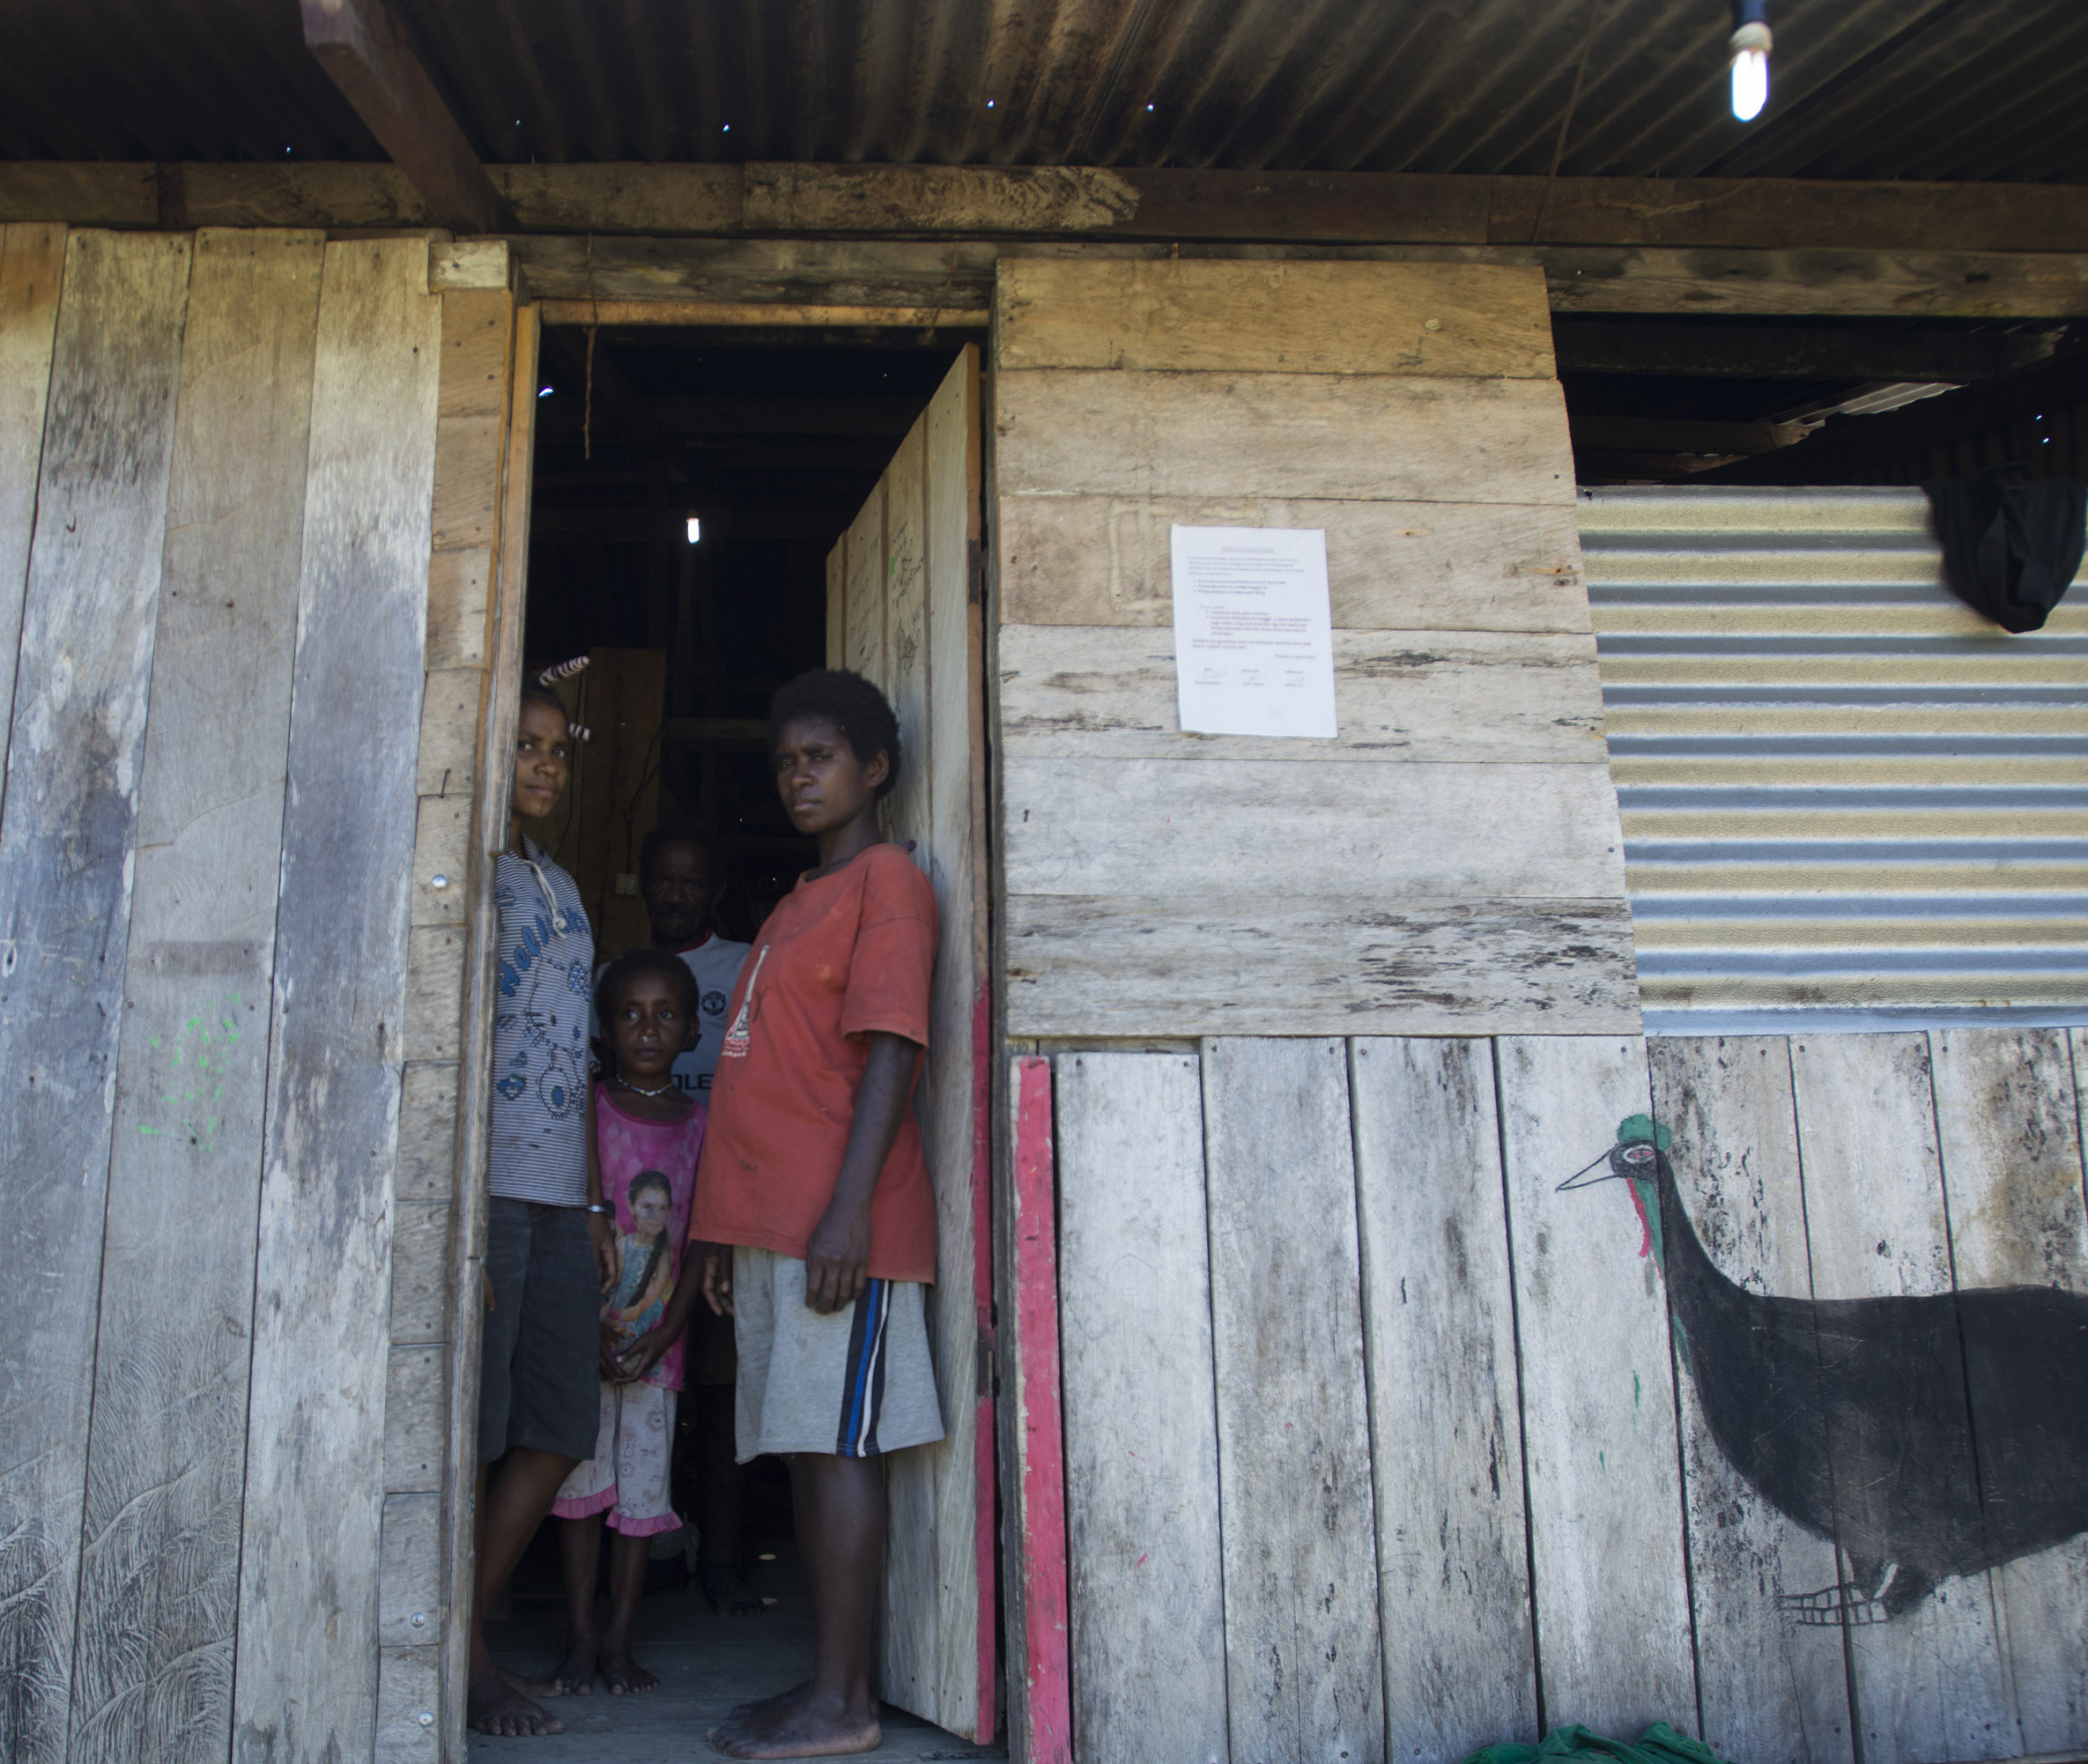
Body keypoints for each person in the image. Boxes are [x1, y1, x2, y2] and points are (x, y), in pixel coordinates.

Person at [636, 667, 944, 1760]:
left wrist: (848, 1214)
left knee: (837, 1450)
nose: (797, 776)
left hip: (836, 1229)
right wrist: (725, 1227)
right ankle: (828, 1684)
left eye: (821, 757)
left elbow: (892, 1048)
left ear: (876, 767)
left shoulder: (887, 884)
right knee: (809, 1451)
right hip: (776, 1227)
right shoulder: (795, 902)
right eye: (784, 762)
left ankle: (845, 1702)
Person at [470, 672, 618, 1740]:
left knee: (563, 1424)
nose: (546, 764)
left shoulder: (561, 884)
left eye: (559, 749)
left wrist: (598, 1196)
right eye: (526, 744)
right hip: (487, 1197)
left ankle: (458, 1631)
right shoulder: (466, 875)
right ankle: (465, 1653)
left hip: (562, 1199)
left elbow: (579, 1055)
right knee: (472, 1433)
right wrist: (453, 1222)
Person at [591, 816, 760, 1614]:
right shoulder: (612, 974)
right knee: (622, 1391)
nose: (677, 893)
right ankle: (644, 1556)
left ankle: (720, 1558)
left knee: (716, 1388)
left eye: (693, 881)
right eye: (664, 877)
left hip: (719, 1198)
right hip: (635, 1210)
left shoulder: (745, 964)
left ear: (716, 891)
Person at [546, 949, 707, 1698]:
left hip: (656, 1352)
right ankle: (580, 1638)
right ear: (605, 1029)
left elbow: (705, 1241)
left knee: (642, 1498)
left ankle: (618, 1642)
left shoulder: (702, 1125)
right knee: (580, 1493)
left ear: (692, 1030)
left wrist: (668, 1333)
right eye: (630, 1015)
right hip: (587, 1340)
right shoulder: (588, 1110)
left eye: (665, 1014)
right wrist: (585, 1326)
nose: (647, 1029)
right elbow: (570, 1221)